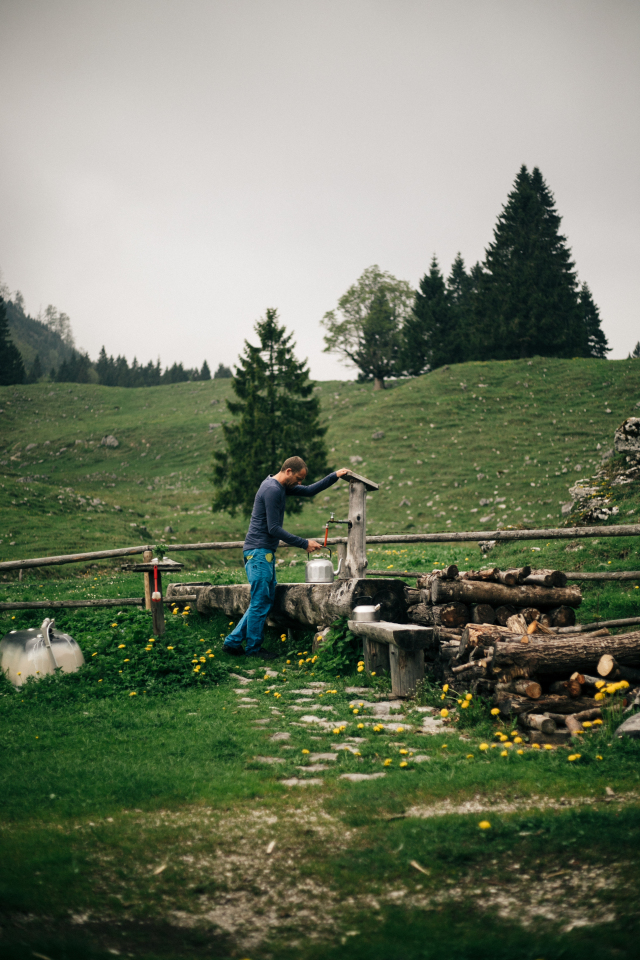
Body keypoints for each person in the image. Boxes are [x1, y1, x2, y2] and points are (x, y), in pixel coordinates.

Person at [223, 456, 349, 659]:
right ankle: (253, 650)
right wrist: (304, 543)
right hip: (258, 553)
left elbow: (309, 490)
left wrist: (335, 475)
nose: (299, 483)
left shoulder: (279, 486)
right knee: (260, 601)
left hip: (263, 553)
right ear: (288, 471)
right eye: (298, 478)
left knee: (262, 599)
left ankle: (232, 642)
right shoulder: (272, 490)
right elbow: (273, 528)